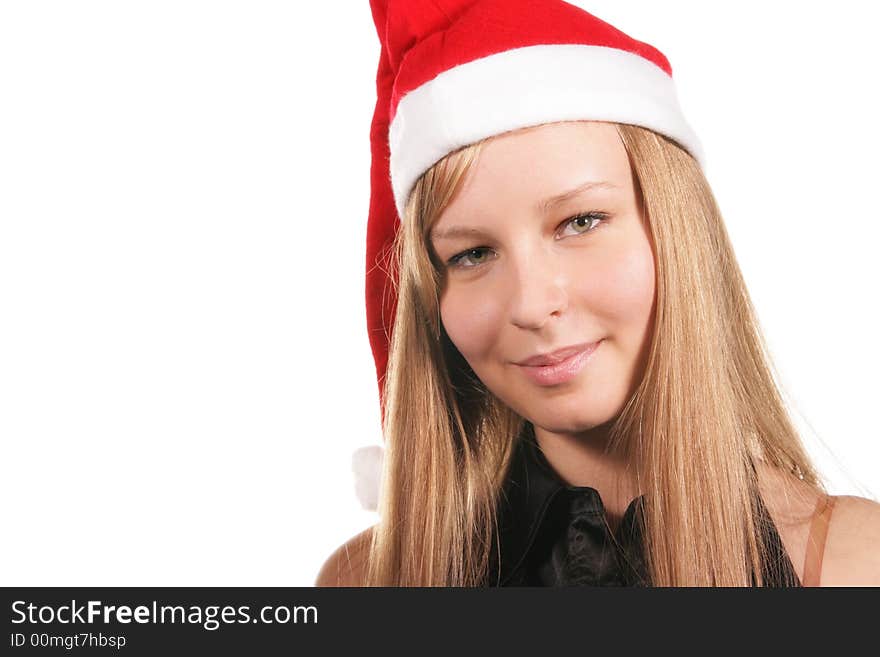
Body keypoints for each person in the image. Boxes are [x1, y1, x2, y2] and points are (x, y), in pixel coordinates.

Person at [316, 0, 880, 587]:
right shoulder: (367, 580)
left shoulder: (858, 568)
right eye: (473, 254)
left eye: (581, 221)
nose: (532, 305)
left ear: (675, 228)